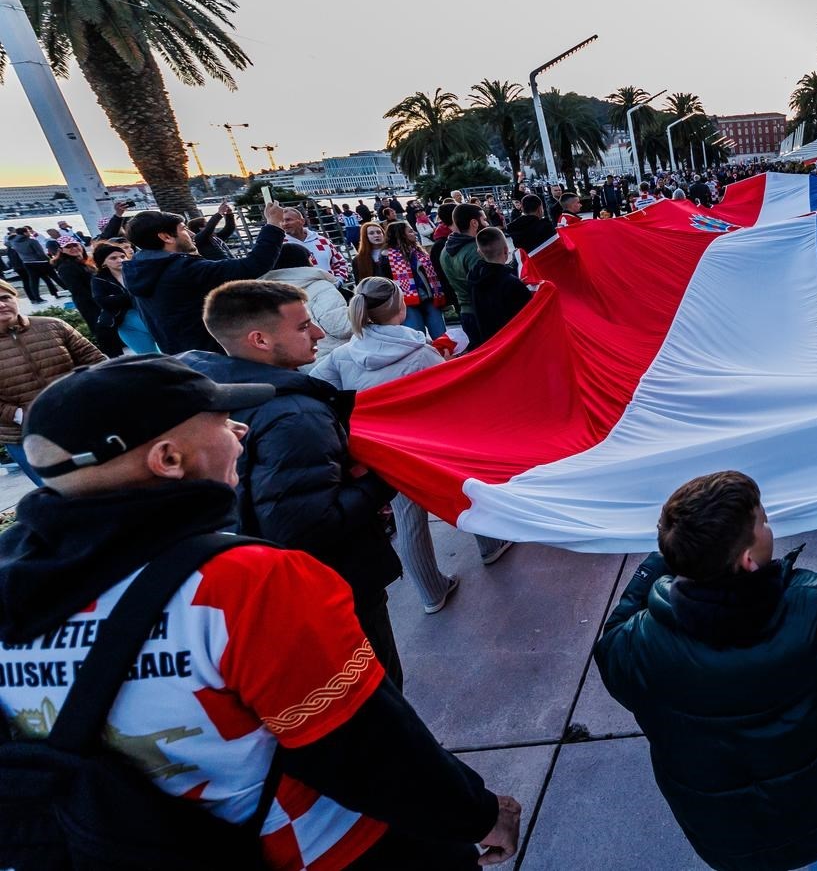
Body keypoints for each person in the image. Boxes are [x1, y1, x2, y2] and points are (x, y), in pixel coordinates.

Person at [0, 355, 521, 869]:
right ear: (168, 459)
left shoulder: (12, 585)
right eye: (220, 422)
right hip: (332, 849)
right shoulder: (247, 582)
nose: (241, 430)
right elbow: (368, 750)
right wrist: (477, 813)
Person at [593, 470, 817, 871]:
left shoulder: (637, 646)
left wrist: (661, 560)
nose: (769, 524)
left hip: (721, 835)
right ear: (747, 559)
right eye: (763, 521)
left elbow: (611, 639)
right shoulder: (814, 613)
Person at [179, 280, 404, 687]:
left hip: (263, 587)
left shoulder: (207, 391)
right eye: (303, 327)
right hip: (336, 585)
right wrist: (380, 480)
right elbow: (304, 526)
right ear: (260, 339)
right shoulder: (295, 414)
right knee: (376, 691)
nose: (319, 333)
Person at [312, 277, 512, 613]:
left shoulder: (343, 356)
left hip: (383, 453)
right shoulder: (419, 351)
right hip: (431, 445)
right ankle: (490, 545)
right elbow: (452, 394)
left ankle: (431, 591)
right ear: (401, 308)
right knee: (461, 492)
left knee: (408, 519)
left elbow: (317, 390)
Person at [122, 203, 287, 354]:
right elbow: (253, 265)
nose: (192, 235)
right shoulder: (182, 269)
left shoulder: (138, 268)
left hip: (183, 356)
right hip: (216, 355)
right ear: (166, 237)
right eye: (183, 229)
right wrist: (273, 224)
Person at [0, 280, 105, 484]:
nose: (2, 305)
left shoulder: (53, 326)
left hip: (82, 420)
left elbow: (97, 362)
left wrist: (84, 394)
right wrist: (18, 415)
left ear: (16, 298)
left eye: (5, 298)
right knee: (61, 493)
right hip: (25, 436)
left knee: (112, 481)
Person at [263, 242, 354, 366]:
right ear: (305, 260)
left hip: (302, 364)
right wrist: (363, 314)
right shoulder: (320, 287)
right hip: (341, 359)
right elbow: (342, 327)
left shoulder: (268, 294)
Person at [91, 242, 158, 354]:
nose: (120, 260)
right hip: (125, 322)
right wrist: (133, 296)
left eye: (122, 256)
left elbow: (150, 291)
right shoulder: (99, 279)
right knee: (150, 357)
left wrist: (119, 298)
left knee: (171, 349)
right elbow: (103, 302)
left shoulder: (136, 271)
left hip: (148, 314)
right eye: (113, 258)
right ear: (103, 262)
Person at [385, 220, 448, 338]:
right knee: (417, 338)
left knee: (441, 336)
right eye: (410, 231)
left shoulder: (419, 252)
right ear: (401, 235)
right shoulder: (388, 257)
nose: (414, 233)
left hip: (429, 299)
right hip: (407, 304)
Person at [468, 227, 531, 344]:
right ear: (506, 250)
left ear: (479, 252)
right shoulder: (512, 284)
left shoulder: (474, 278)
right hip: (514, 343)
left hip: (491, 343)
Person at [440, 203, 485, 346]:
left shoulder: (445, 250)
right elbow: (485, 285)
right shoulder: (475, 250)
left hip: (465, 312)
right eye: (484, 220)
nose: (487, 223)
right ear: (474, 223)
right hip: (482, 314)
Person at [281, 207, 350, 283]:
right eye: (281, 221)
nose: (285, 224)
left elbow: (340, 263)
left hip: (328, 289)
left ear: (302, 221)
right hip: (298, 292)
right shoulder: (279, 246)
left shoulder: (322, 241)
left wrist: (338, 280)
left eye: (288, 220)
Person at [7, 227, 58, 303]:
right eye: (28, 231)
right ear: (25, 233)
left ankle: (35, 298)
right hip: (39, 262)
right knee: (54, 277)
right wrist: (49, 260)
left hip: (26, 263)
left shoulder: (13, 242)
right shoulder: (31, 241)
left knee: (33, 281)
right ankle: (61, 292)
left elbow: (7, 243)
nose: (29, 233)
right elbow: (40, 253)